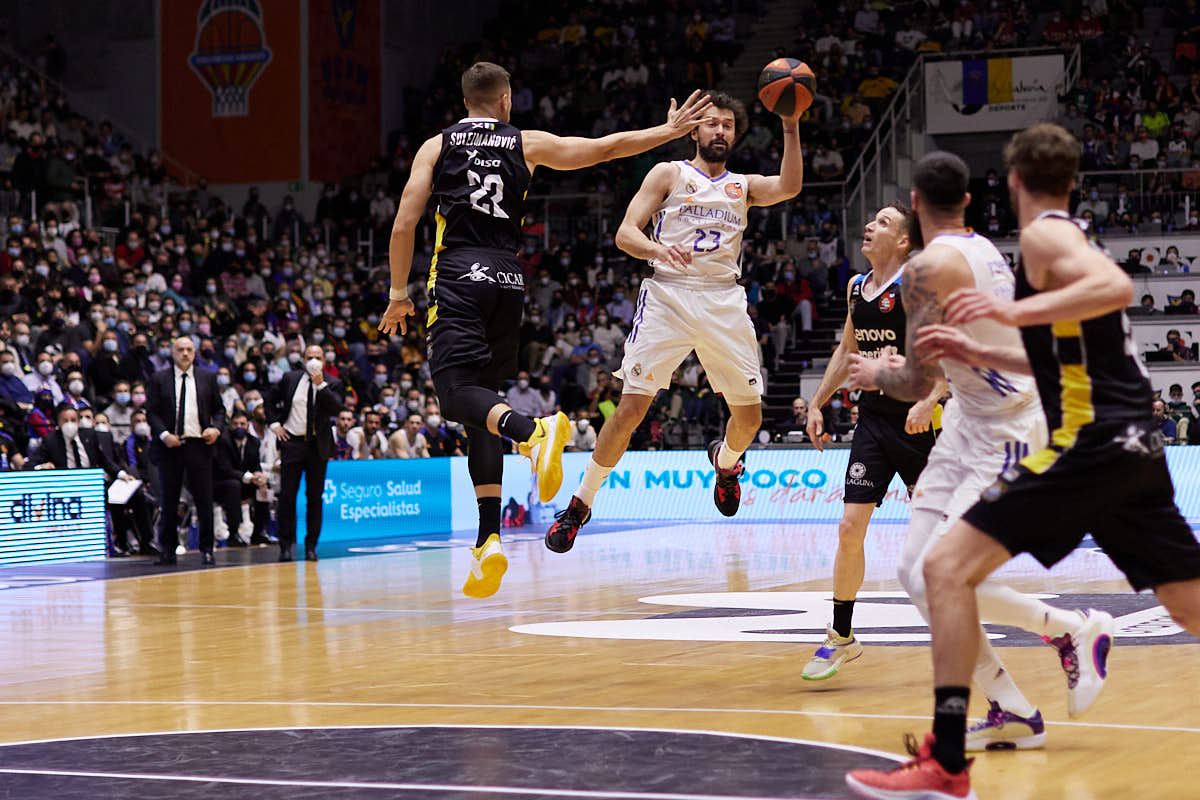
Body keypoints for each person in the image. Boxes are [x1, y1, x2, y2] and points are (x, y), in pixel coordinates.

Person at [845, 124, 1200, 799]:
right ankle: (997, 713)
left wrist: (1022, 313)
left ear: (1012, 184)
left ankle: (948, 760)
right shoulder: (1038, 243)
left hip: (1086, 443)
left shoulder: (1044, 238)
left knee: (942, 570)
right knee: (1189, 605)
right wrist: (987, 351)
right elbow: (1070, 354)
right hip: (1128, 443)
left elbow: (1116, 287)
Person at [378, 61, 712, 598]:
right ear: (506, 99)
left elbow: (404, 222)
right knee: (479, 411)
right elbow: (604, 147)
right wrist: (667, 133)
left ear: (466, 100)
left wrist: (398, 294)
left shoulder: (435, 147)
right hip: (508, 278)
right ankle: (488, 539)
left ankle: (533, 432)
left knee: (454, 395)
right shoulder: (526, 142)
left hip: (460, 274)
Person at [847, 150, 1114, 755]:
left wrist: (874, 371)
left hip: (1009, 426)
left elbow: (916, 382)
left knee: (944, 575)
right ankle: (1012, 709)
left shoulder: (924, 271)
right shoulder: (984, 249)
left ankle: (1072, 630)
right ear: (967, 202)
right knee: (914, 575)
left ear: (914, 205)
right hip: (969, 419)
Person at [545, 89, 804, 553]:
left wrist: (790, 123)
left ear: (735, 134)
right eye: (711, 123)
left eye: (727, 124)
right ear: (695, 130)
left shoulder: (742, 186)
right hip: (667, 294)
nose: (719, 130)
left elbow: (789, 187)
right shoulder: (668, 173)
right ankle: (580, 504)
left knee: (749, 417)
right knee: (630, 409)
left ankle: (725, 464)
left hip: (723, 301)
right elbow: (625, 234)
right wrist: (657, 248)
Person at [800, 204, 945, 680]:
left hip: (920, 421)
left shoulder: (918, 285)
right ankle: (841, 634)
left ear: (903, 241)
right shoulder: (856, 287)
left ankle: (964, 628)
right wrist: (818, 402)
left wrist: (930, 400)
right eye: (870, 221)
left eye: (883, 223)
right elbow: (848, 350)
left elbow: (944, 356)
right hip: (875, 422)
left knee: (939, 542)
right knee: (848, 528)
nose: (869, 226)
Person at [26, 403, 151, 556]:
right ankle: (115, 544)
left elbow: (106, 461)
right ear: (58, 423)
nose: (70, 424)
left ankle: (145, 542)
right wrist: (43, 466)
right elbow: (29, 465)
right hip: (66, 491)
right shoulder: (50, 440)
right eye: (65, 420)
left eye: (73, 420)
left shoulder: (90, 436)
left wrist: (122, 474)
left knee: (136, 494)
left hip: (94, 487)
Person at [146, 337, 225, 565]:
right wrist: (164, 435)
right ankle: (167, 550)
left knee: (204, 500)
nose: (185, 353)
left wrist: (216, 429)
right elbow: (152, 413)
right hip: (171, 445)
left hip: (199, 445)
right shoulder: (159, 379)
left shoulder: (207, 378)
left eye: (189, 349)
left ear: (195, 352)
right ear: (172, 352)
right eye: (180, 349)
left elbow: (220, 410)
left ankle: (207, 549)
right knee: (169, 500)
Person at [267, 343, 342, 562]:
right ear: (303, 358)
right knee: (287, 496)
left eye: (318, 356)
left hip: (317, 446)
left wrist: (321, 386)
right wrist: (274, 424)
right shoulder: (290, 378)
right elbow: (269, 399)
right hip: (292, 442)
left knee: (314, 498)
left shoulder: (333, 383)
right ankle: (285, 545)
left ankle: (311, 546)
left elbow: (336, 408)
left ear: (324, 361)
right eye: (310, 356)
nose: (314, 361)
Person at [214, 409, 267, 547]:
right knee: (234, 486)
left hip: (244, 481)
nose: (239, 427)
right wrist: (248, 476)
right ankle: (233, 534)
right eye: (236, 424)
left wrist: (259, 475)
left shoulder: (254, 442)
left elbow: (255, 465)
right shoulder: (223, 440)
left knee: (264, 487)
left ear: (248, 425)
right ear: (230, 425)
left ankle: (258, 533)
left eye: (242, 424)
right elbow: (224, 469)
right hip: (222, 483)